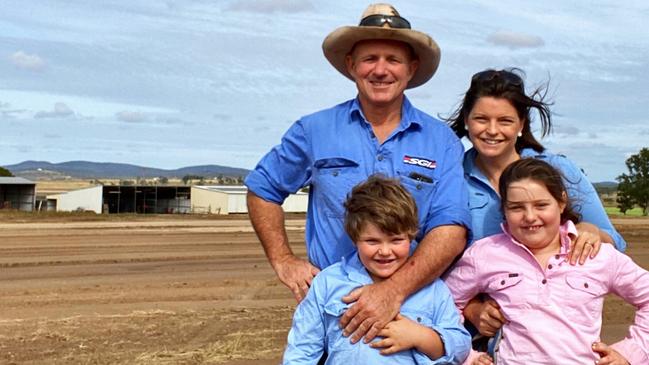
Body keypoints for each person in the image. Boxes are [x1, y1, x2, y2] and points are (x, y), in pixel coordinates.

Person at [245, 3, 470, 343]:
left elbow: (451, 228)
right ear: (351, 66)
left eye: (393, 60)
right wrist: (284, 260)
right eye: (370, 59)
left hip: (415, 312)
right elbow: (263, 189)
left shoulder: (442, 142)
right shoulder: (314, 130)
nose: (381, 70)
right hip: (332, 312)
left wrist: (392, 291)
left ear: (411, 68)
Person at [444, 68, 627, 338]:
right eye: (481, 119)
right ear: (467, 121)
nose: (492, 130)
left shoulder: (558, 168)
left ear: (521, 125)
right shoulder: (449, 175)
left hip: (557, 341)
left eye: (505, 121)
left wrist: (591, 230)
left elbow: (616, 244)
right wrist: (471, 309)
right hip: (475, 344)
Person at [444, 158, 649, 365]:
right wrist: (467, 357)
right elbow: (442, 305)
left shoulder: (595, 254)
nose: (530, 217)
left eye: (541, 205)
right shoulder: (485, 254)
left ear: (561, 202)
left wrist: (630, 353)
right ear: (504, 210)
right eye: (516, 208)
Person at [283, 175, 471, 364]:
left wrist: (420, 336)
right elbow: (301, 351)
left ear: (412, 235)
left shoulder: (432, 289)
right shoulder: (327, 283)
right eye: (372, 241)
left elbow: (461, 347)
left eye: (396, 240)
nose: (384, 251)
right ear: (354, 237)